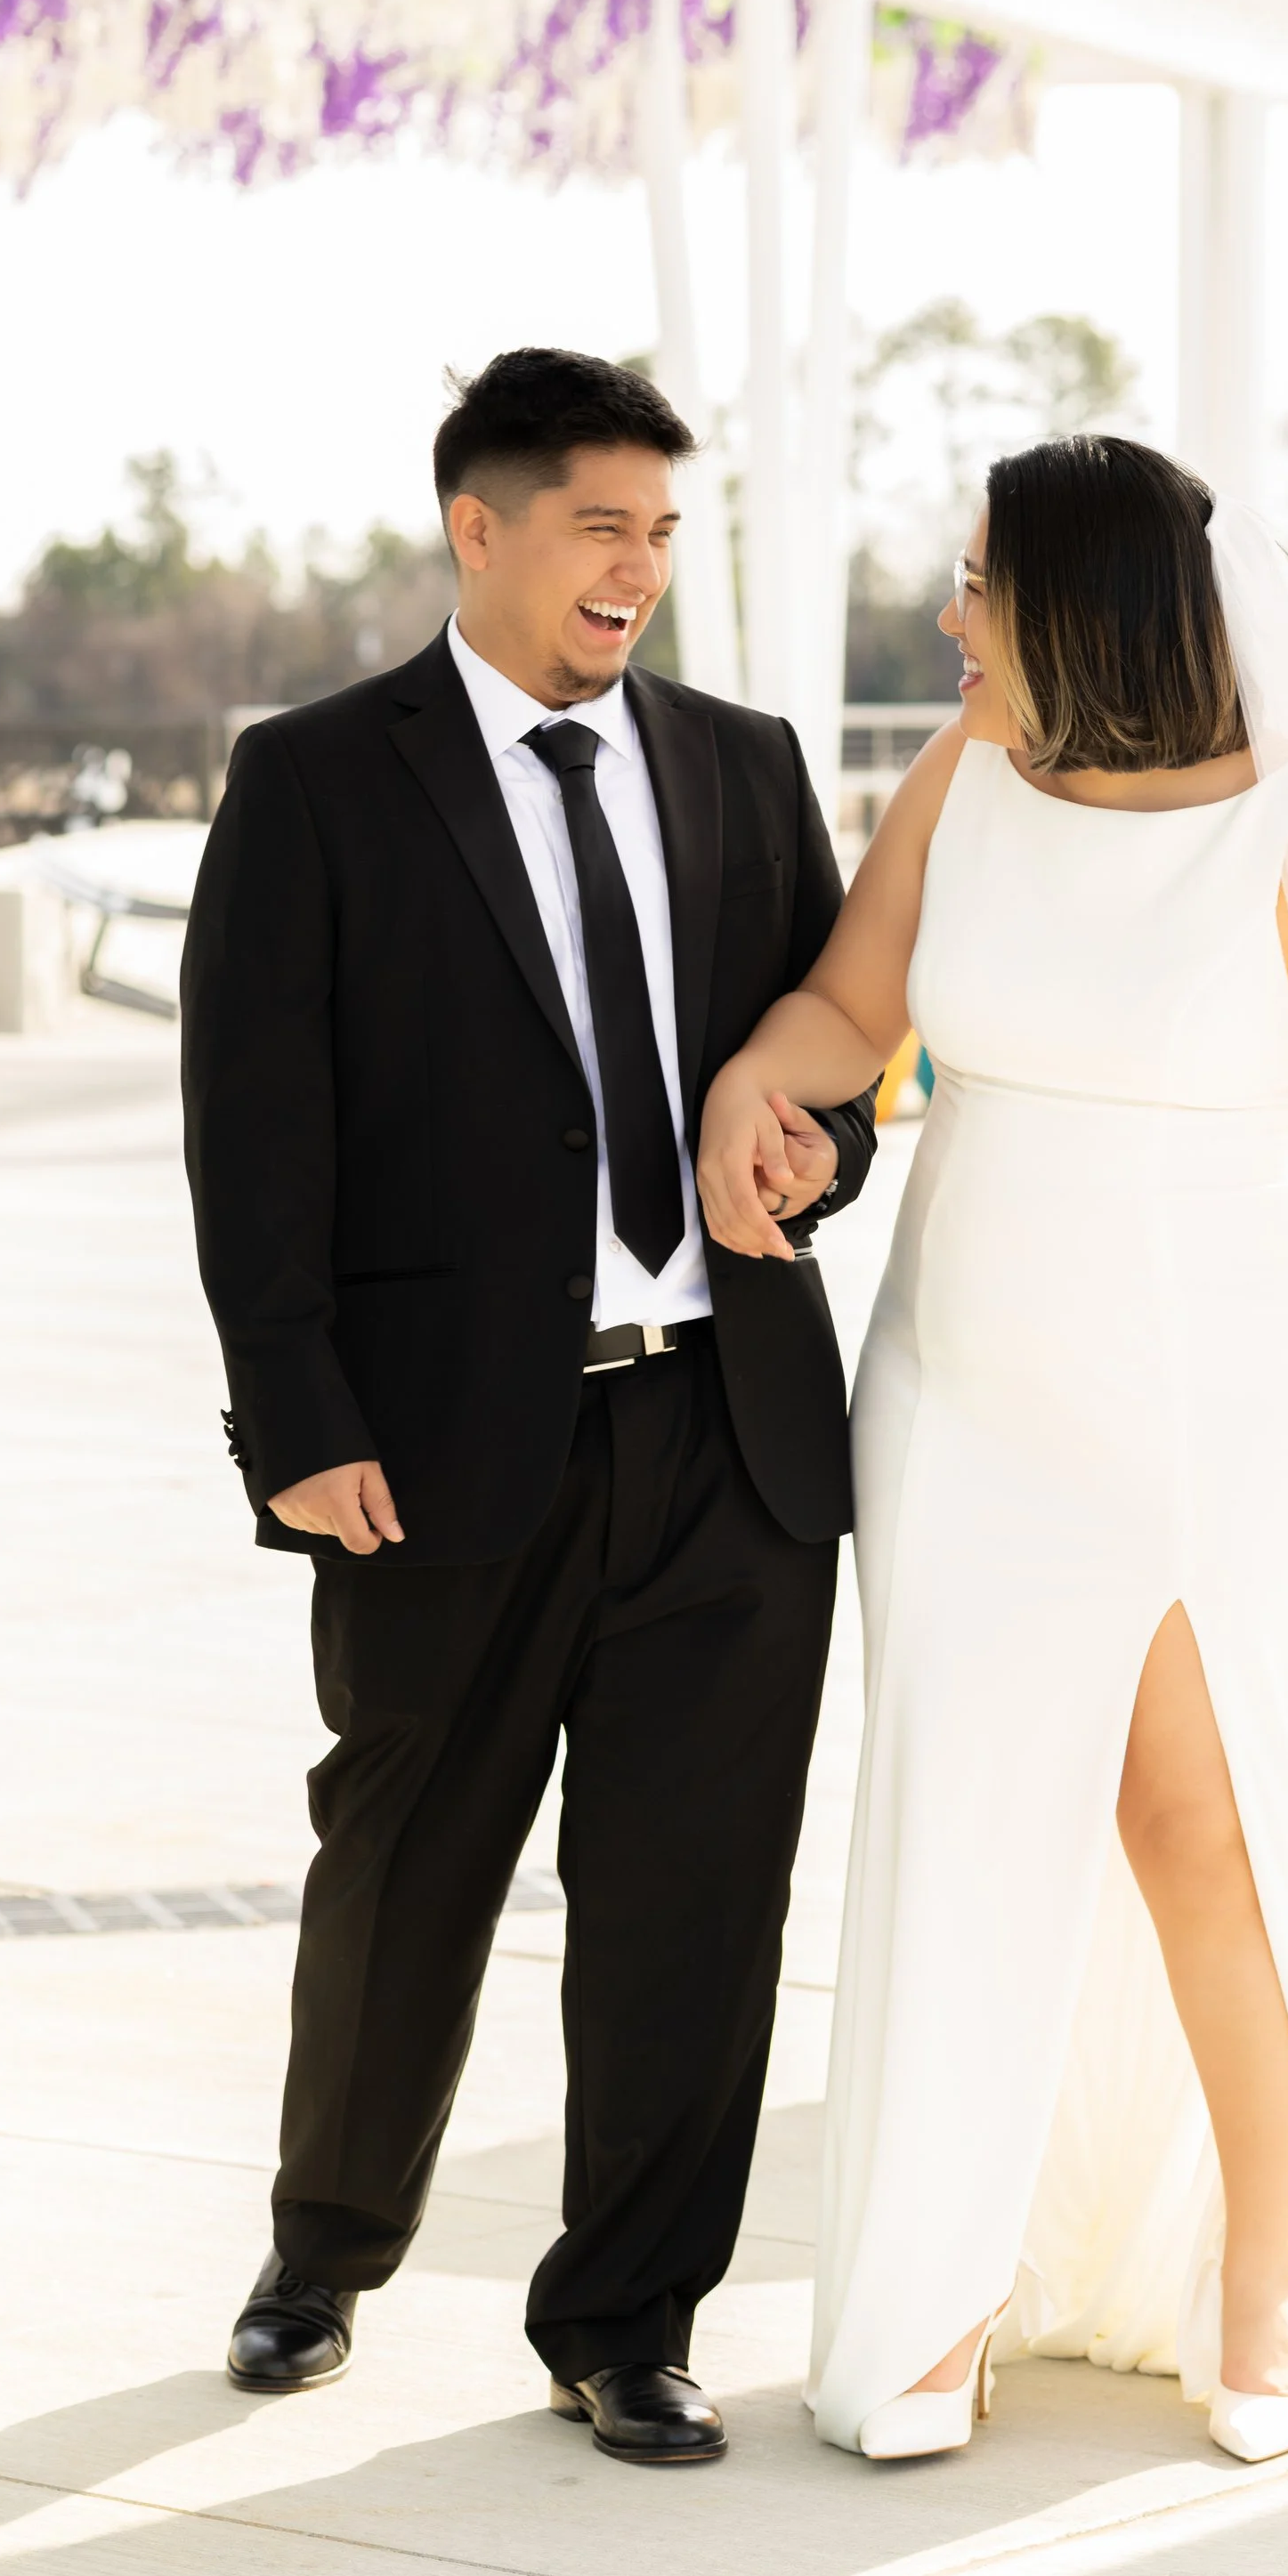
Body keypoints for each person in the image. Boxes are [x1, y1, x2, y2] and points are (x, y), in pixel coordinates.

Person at [698, 437, 1288, 2465]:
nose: (945, 619)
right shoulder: (961, 782)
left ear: (1078, 605)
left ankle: (1261, 2269)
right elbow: (854, 1004)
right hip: (964, 1373)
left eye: (973, 586)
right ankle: (935, 2290)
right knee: (966, 1812)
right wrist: (752, 1087)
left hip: (1221, 1369)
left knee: (1201, 1825)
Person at [180, 347, 876, 2467]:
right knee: (405, 1857)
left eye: (662, 532)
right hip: (438, 1447)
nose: (638, 570)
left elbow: (828, 1061)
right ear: (476, 528)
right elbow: (252, 1129)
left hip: (727, 1436)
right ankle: (325, 2247)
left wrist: (813, 1153)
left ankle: (625, 2314)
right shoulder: (314, 778)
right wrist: (296, 1419)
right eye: (601, 525)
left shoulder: (747, 766)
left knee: (694, 1897)